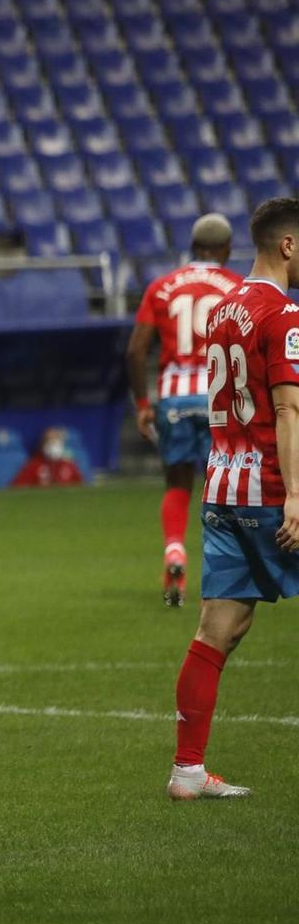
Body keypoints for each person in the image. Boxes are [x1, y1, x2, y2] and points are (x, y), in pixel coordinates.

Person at [166, 196, 299, 801]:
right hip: (273, 489)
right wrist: (295, 494)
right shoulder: (283, 315)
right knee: (220, 628)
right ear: (287, 246)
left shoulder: (223, 310)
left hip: (223, 486)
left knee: (219, 627)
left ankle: (187, 771)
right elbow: (287, 408)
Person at [126, 214, 242, 606]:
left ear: (193, 246)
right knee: (224, 485)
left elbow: (136, 349)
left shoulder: (161, 287)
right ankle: (226, 569)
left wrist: (144, 404)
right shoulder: (237, 287)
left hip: (174, 397)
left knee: (177, 483)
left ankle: (174, 550)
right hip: (219, 399)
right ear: (226, 249)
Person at [11, 427, 84, 488]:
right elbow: (17, 488)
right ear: (43, 445)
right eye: (50, 441)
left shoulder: (69, 465)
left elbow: (81, 488)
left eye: (56, 441)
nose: (54, 445)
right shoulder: (33, 465)